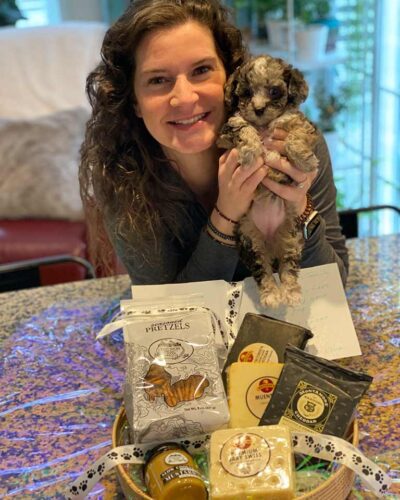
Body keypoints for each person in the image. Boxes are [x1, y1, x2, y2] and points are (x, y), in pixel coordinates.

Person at [80, 0, 348, 288]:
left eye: (201, 70)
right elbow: (170, 312)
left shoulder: (293, 146)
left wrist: (299, 207)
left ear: (230, 75)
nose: (184, 98)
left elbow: (333, 284)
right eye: (158, 79)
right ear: (134, 101)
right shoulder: (123, 178)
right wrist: (226, 217)